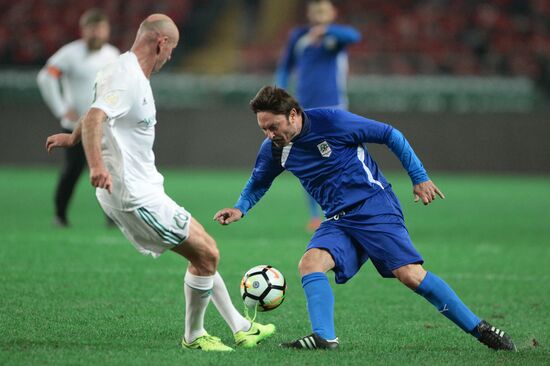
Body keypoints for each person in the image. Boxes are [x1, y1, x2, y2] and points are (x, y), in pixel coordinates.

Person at [214, 86, 516, 351]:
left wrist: (419, 177)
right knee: (310, 263)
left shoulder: (332, 121)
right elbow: (259, 181)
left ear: (293, 114)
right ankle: (324, 338)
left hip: (373, 207)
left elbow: (389, 134)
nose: (269, 134)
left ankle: (481, 329)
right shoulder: (274, 149)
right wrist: (241, 207)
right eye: (264, 129)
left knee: (410, 274)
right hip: (337, 219)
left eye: (273, 126)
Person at [45, 14, 274, 352]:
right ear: (161, 42)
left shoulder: (118, 68)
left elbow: (96, 108)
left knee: (204, 251)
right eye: (172, 49)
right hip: (133, 196)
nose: (171, 56)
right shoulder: (129, 78)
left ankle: (241, 328)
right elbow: (96, 116)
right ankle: (194, 336)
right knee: (207, 253)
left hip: (147, 189)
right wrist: (95, 164)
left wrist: (71, 137)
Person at [275, 0, 361, 231]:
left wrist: (326, 30)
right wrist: (279, 93)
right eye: (316, 9)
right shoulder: (299, 37)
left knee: (339, 160)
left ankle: (345, 210)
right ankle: (316, 216)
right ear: (309, 13)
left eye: (324, 9)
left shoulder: (335, 38)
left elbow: (354, 36)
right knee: (308, 163)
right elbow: (284, 67)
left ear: (333, 13)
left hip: (334, 109)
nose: (319, 13)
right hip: (304, 110)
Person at [37, 8, 120, 227]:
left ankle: (112, 218)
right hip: (76, 126)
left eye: (100, 29)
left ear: (107, 31)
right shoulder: (70, 53)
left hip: (105, 125)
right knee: (72, 171)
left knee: (111, 170)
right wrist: (61, 108)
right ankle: (60, 215)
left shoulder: (112, 54)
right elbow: (46, 77)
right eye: (92, 29)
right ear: (83, 31)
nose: (96, 34)